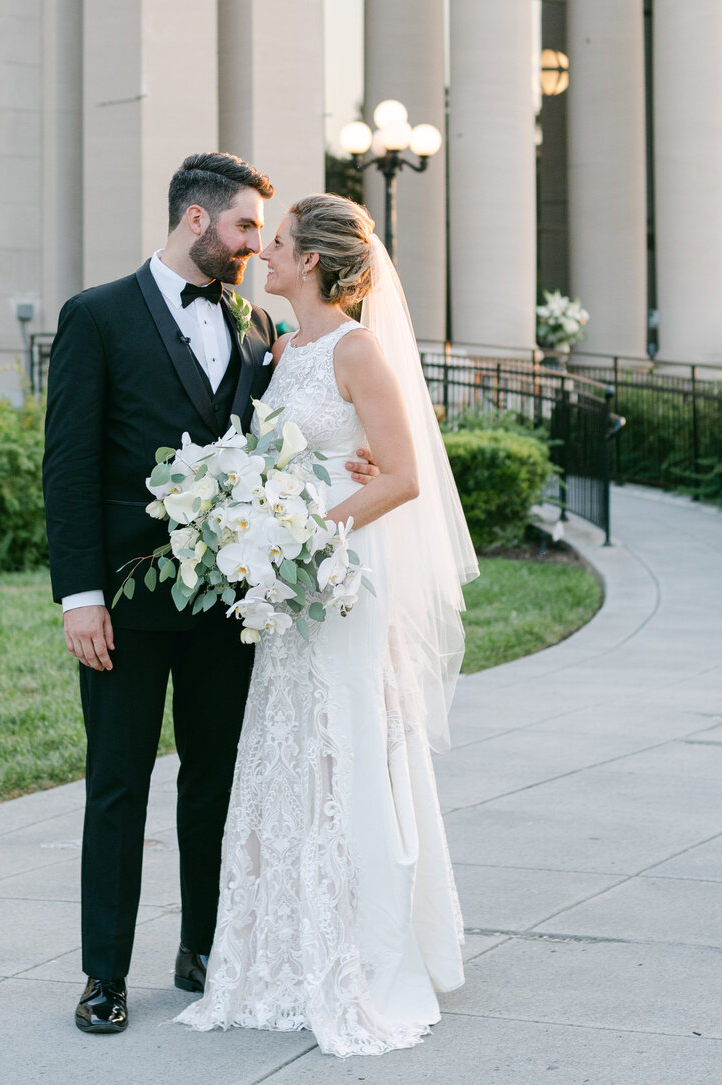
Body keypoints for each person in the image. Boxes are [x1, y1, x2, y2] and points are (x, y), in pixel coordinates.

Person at [42, 155, 379, 1037]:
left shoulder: (262, 325)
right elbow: (68, 468)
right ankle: (104, 974)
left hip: (232, 600)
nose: (253, 246)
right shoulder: (96, 316)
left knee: (217, 780)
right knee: (116, 783)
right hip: (123, 597)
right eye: (242, 229)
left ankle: (202, 947)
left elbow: (286, 444)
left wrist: (354, 466)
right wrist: (81, 596)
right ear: (197, 221)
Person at [178, 194, 479, 1057]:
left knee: (342, 738)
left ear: (310, 260)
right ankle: (278, 949)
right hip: (287, 578)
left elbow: (404, 477)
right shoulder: (286, 348)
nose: (262, 256)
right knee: (288, 742)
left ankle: (361, 949)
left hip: (337, 575)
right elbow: (306, 454)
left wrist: (309, 536)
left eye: (274, 244)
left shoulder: (357, 348)